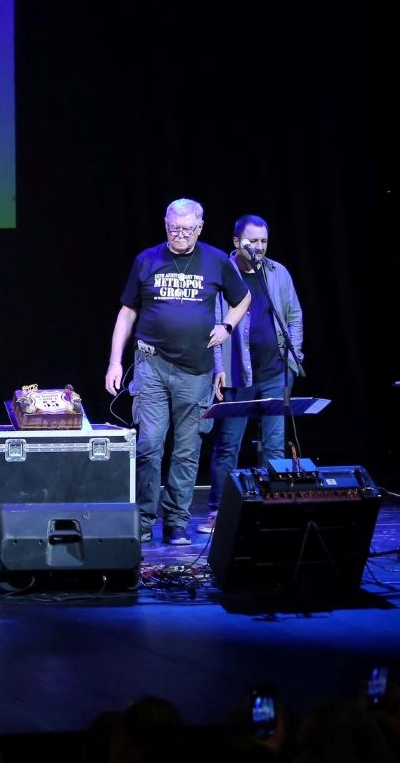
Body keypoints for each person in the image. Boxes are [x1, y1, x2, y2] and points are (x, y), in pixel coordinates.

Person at [104, 198, 250, 546]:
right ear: (165, 224)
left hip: (195, 370)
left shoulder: (216, 260)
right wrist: (114, 361)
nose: (179, 234)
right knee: (149, 445)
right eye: (173, 228)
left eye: (186, 229)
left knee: (187, 449)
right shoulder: (147, 259)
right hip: (151, 364)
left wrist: (227, 326)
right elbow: (127, 313)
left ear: (200, 227)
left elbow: (243, 298)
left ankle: (176, 523)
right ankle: (143, 520)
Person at [200, 215, 304, 534]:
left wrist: (293, 359)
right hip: (236, 375)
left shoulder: (277, 272)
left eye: (263, 241)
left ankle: (274, 507)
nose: (258, 247)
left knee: (275, 445)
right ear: (236, 242)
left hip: (275, 373)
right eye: (252, 241)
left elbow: (294, 315)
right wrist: (218, 368)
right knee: (227, 445)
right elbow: (214, 325)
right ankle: (218, 511)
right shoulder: (222, 273)